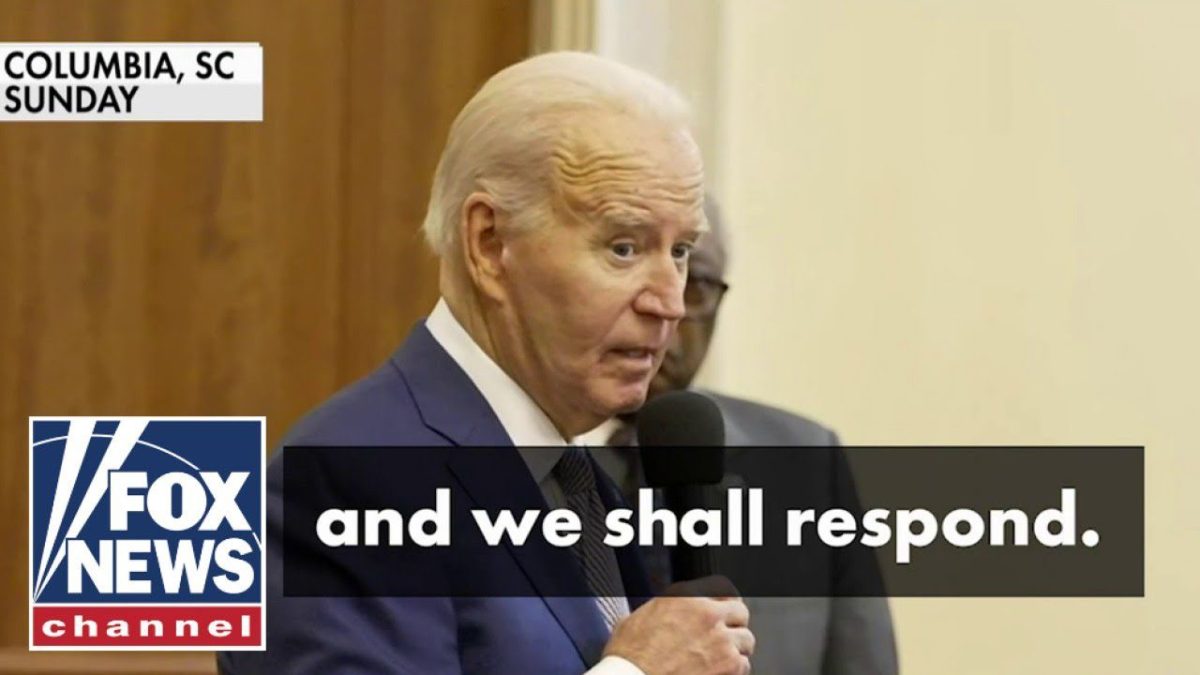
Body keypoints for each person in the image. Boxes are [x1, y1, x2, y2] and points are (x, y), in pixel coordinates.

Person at [218, 52, 754, 675]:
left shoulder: (577, 481)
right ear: (490, 244)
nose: (669, 303)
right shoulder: (345, 478)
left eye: (681, 250)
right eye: (623, 247)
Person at [584, 196, 899, 675]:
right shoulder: (524, 460)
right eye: (629, 262)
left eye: (696, 285)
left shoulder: (804, 460)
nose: (669, 311)